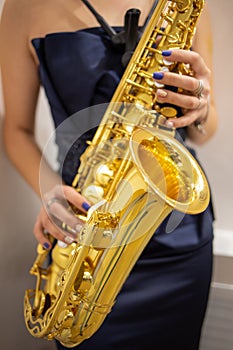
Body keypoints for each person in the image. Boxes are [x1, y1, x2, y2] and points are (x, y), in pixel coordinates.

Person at [0, 0, 218, 349]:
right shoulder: (22, 7)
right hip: (85, 236)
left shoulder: (184, 5)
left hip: (178, 245)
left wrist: (201, 105)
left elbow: (205, 131)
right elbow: (17, 130)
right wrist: (51, 192)